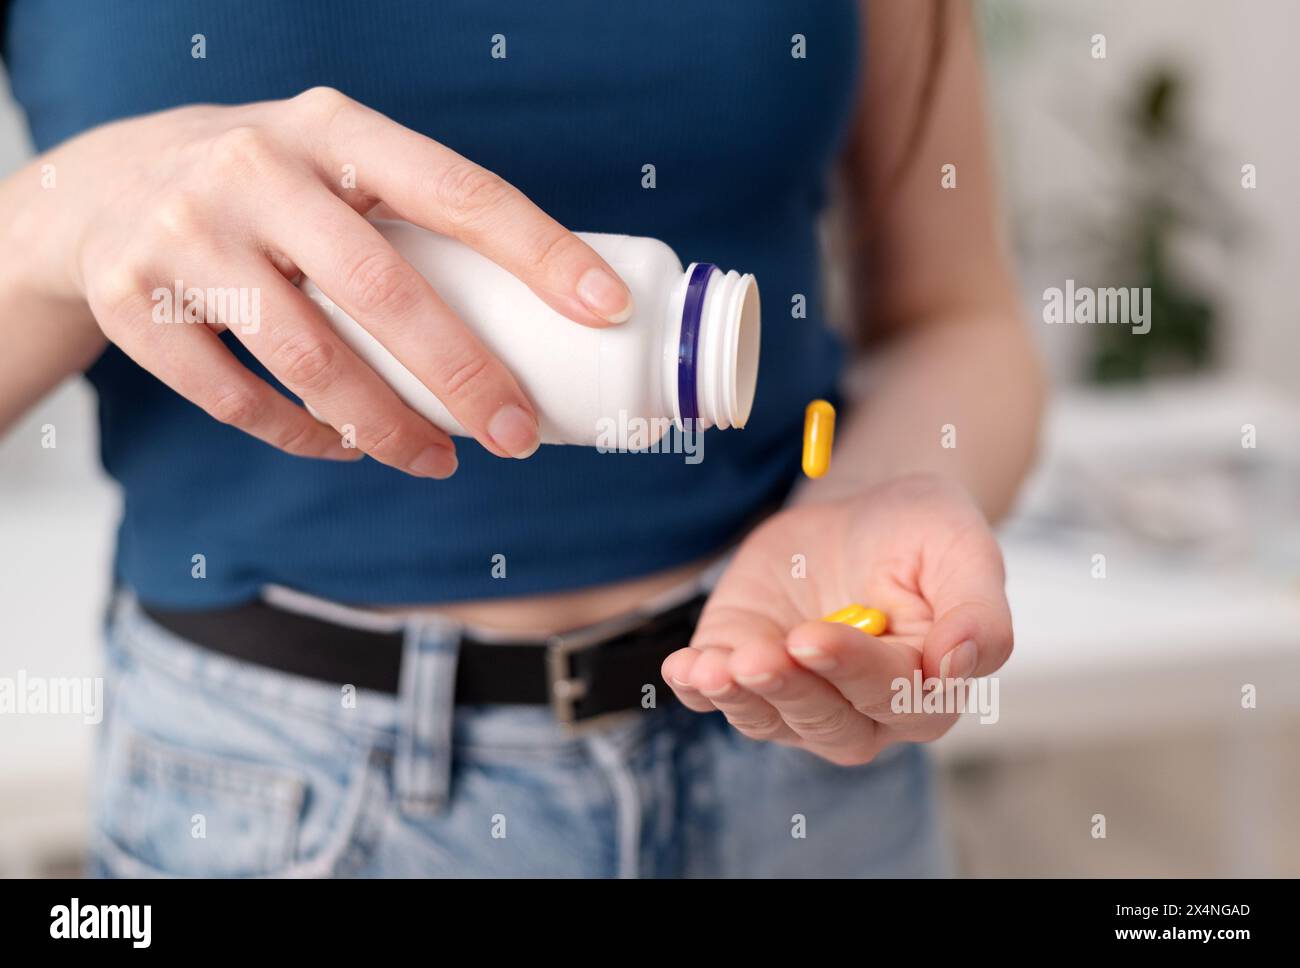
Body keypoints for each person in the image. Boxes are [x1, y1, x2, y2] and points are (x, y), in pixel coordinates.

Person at [0, 0, 1044, 877]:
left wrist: (868, 500)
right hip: (284, 793)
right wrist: (69, 217)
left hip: (802, 764)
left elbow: (954, 321)